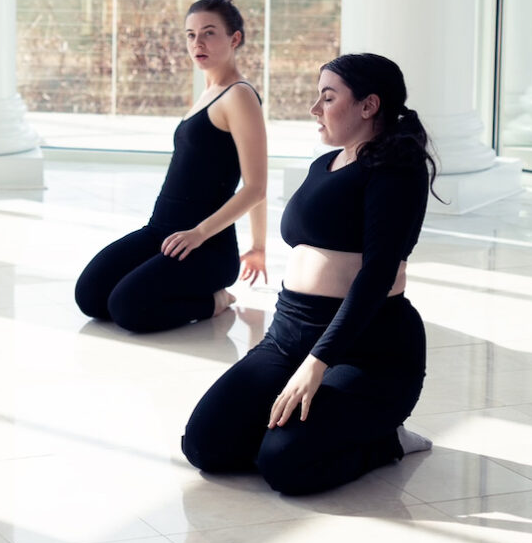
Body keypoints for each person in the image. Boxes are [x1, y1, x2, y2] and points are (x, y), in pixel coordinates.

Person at [181, 53, 436, 496]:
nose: (315, 108)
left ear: (369, 105)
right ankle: (301, 431)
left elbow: (376, 275)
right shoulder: (324, 165)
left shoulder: (397, 170)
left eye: (328, 98)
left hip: (367, 350)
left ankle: (387, 441)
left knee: (284, 465)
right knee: (205, 446)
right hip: (288, 336)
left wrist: (318, 362)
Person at [75, 0, 270, 333]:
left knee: (126, 308)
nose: (198, 43)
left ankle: (215, 301)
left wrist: (255, 246)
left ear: (235, 38)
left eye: (209, 33)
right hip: (161, 231)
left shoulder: (239, 95)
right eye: (191, 35)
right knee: (90, 297)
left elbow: (256, 187)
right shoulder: (208, 91)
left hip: (205, 245)